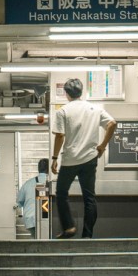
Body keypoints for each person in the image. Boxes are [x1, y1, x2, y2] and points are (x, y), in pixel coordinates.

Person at [49, 78, 116, 239]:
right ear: (82, 92)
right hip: (89, 159)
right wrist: (102, 145)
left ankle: (69, 227)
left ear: (66, 94)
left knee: (62, 193)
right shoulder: (94, 108)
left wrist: (54, 158)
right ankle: (87, 235)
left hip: (70, 159)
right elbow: (112, 123)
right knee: (89, 197)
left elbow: (59, 136)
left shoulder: (63, 111)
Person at [16, 158, 49, 236]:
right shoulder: (51, 182)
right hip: (46, 217)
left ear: (38, 169)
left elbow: (19, 202)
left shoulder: (27, 183)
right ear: (49, 169)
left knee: (37, 240)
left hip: (30, 219)